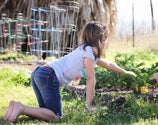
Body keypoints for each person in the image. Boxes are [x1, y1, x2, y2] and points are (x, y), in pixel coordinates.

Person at [3, 21, 136, 122]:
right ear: (99, 39)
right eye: (105, 39)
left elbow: (108, 64)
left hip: (39, 73)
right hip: (48, 76)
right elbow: (91, 78)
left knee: (45, 114)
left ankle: (14, 108)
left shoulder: (85, 51)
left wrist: (126, 72)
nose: (106, 42)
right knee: (56, 116)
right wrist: (88, 105)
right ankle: (21, 108)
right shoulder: (88, 52)